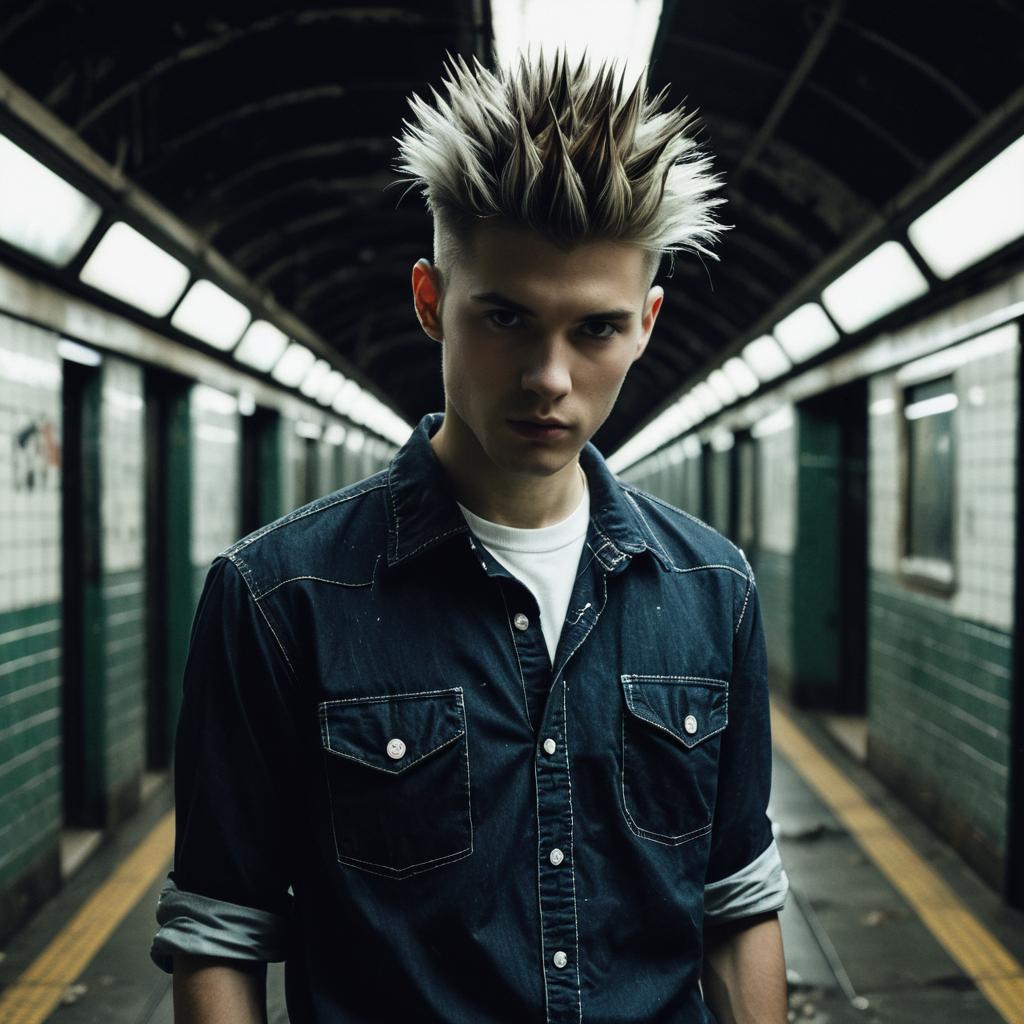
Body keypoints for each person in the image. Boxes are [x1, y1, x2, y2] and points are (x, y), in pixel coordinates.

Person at [151, 49, 790, 1023]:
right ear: (428, 302)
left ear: (649, 323)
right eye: (504, 318)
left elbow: (735, 904)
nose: (547, 375)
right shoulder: (278, 600)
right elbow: (219, 933)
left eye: (595, 330)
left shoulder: (713, 589)